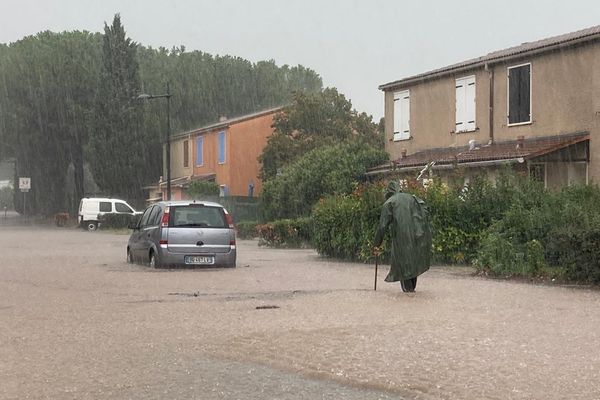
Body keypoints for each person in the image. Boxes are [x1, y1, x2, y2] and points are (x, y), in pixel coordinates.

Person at [373, 181, 432, 292]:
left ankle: (408, 295)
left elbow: (382, 226)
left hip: (402, 240)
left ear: (388, 192)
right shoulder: (412, 198)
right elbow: (426, 209)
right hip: (418, 236)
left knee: (404, 267)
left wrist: (377, 244)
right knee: (412, 265)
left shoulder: (389, 203)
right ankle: (412, 294)